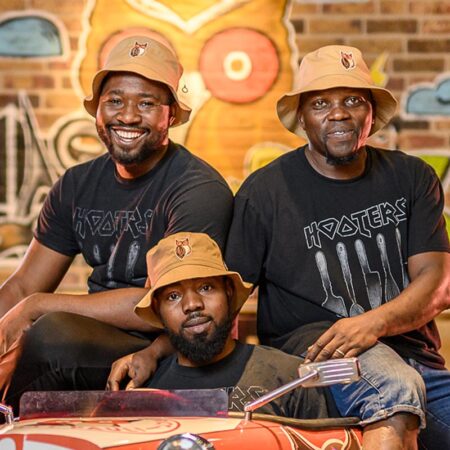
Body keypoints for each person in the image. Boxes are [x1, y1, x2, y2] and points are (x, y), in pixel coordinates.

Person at [225, 45, 450, 450]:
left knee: (404, 380)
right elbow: (228, 296)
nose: (338, 113)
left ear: (370, 113)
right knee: (396, 385)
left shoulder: (412, 177)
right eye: (320, 103)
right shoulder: (265, 193)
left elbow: (437, 283)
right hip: (319, 363)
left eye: (352, 101)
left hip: (419, 363)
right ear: (302, 118)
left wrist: (373, 323)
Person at [0, 35, 233, 413]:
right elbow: (24, 284)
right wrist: (21, 308)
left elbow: (164, 302)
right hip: (94, 337)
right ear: (97, 110)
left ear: (171, 115)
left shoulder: (196, 189)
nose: (127, 116)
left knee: (53, 336)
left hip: (161, 347)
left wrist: (37, 306)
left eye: (146, 103)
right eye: (115, 101)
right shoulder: (76, 185)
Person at [107, 231, 340, 421]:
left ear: (228, 292)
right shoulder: (143, 390)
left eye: (205, 288)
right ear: (158, 309)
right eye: (173, 296)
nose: (192, 304)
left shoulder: (290, 377)